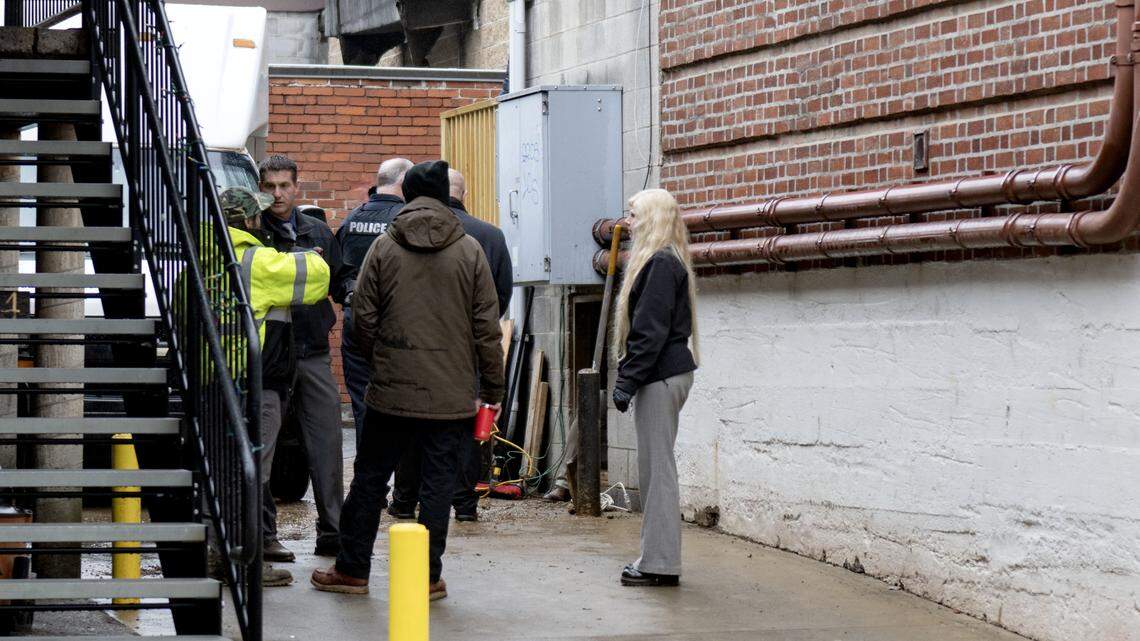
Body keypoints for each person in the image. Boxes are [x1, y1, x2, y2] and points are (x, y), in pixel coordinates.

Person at [311, 160, 504, 600]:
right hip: (451, 397)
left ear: (408, 195)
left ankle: (353, 570)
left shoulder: (384, 247)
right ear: (444, 197)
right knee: (437, 487)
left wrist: (380, 361)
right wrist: (491, 389)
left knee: (371, 480)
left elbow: (361, 320)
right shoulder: (471, 250)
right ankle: (427, 577)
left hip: (391, 393)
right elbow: (486, 329)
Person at [217, 186, 331, 587]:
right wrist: (306, 257)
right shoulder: (256, 261)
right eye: (257, 216)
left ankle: (244, 546)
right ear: (247, 221)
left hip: (215, 382)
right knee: (251, 474)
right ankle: (243, 561)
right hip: (255, 382)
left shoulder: (205, 259)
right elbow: (317, 280)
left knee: (227, 469)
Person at [388, 168, 513, 522]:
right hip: (469, 347)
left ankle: (404, 499)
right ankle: (465, 503)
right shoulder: (489, 235)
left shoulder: (402, 231)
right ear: (465, 193)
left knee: (414, 424)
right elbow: (500, 295)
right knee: (469, 426)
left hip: (415, 347)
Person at [609, 188, 699, 587]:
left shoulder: (660, 264)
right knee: (657, 470)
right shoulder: (666, 260)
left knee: (657, 472)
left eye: (632, 214)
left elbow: (649, 332)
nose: (627, 222)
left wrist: (626, 381)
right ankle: (658, 559)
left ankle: (660, 564)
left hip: (660, 376)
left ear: (653, 217)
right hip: (665, 373)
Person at [258, 155, 345, 560]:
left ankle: (333, 531)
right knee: (264, 447)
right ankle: (264, 535)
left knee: (326, 442)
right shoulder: (251, 233)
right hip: (268, 358)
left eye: (284, 186)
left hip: (310, 350)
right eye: (270, 186)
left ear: (297, 187)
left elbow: (340, 280)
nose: (277, 194)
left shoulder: (317, 232)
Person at [334, 157, 413, 440]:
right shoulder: (407, 219)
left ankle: (368, 470)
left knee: (362, 398)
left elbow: (335, 276)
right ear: (403, 182)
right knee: (402, 399)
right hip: (396, 320)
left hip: (355, 317)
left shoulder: (352, 219)